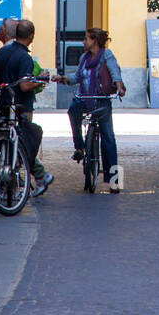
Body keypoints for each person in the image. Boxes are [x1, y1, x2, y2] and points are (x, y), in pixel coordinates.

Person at [55, 28, 126, 192]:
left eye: (86, 38)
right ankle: (79, 147)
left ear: (94, 40)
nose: (83, 41)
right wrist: (63, 78)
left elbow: (115, 72)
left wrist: (119, 87)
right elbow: (77, 77)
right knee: (73, 109)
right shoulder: (84, 58)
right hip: (85, 100)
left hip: (101, 101)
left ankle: (115, 181)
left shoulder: (106, 55)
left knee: (108, 138)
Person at [0, 18, 54, 197]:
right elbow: (25, 86)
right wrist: (41, 79)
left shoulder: (4, 52)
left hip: (4, 102)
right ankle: (36, 177)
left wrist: (1, 83)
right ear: (31, 36)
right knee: (23, 144)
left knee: (9, 143)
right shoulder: (25, 57)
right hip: (21, 106)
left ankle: (14, 182)